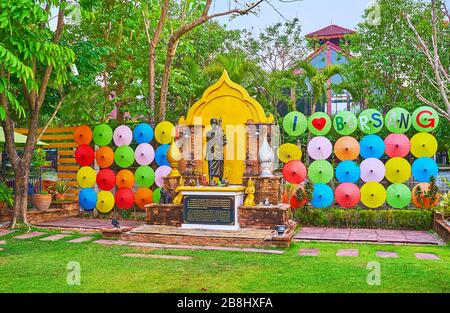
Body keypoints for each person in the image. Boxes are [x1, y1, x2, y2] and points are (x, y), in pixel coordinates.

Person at [205, 117, 227, 185]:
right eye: (212, 123)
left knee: (220, 167)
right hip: (211, 152)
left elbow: (225, 141)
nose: (213, 125)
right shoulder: (208, 133)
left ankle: (220, 181)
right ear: (211, 124)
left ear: (217, 124)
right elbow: (208, 144)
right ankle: (211, 180)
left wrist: (220, 141)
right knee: (211, 166)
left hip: (219, 152)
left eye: (215, 123)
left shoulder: (221, 132)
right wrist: (206, 154)